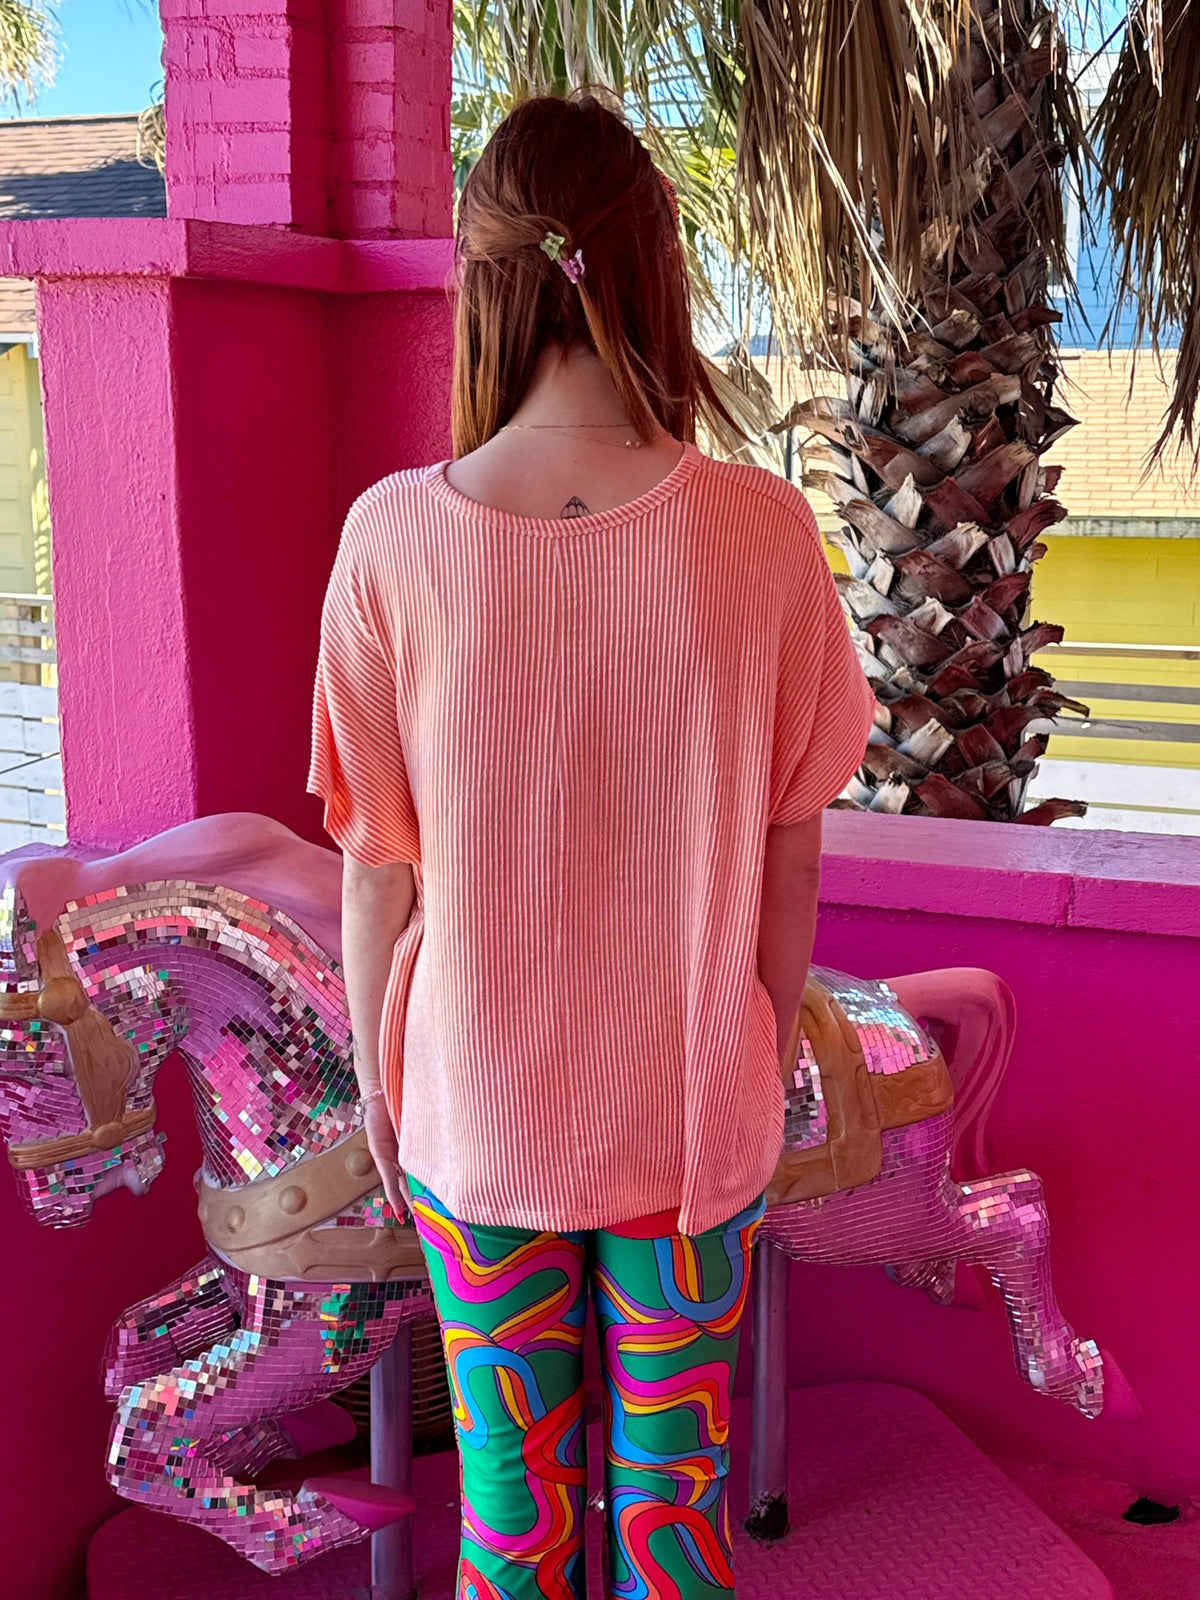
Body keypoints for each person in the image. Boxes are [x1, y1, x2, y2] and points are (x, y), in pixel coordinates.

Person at [308, 89, 873, 1600]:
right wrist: (755, 1046)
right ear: (654, 265)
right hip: (689, 1107)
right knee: (672, 1508)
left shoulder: (387, 540)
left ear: (480, 282)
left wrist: (381, 1081)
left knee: (509, 1505)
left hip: (478, 1104)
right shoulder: (765, 535)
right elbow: (791, 854)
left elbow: (377, 861)